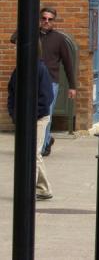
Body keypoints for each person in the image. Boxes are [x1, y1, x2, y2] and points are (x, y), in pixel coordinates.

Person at [10, 7, 77, 157]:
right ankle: (44, 140)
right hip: (30, 80)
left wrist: (72, 86)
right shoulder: (31, 33)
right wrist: (30, 25)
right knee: (30, 113)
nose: (46, 21)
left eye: (50, 19)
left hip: (50, 82)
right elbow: (14, 38)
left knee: (46, 114)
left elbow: (68, 64)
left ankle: (44, 145)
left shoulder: (59, 39)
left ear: (54, 21)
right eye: (44, 18)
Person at [7, 62, 56, 200]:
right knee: (32, 153)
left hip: (39, 118)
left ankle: (28, 192)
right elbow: (12, 92)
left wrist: (32, 115)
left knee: (33, 153)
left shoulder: (41, 69)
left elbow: (47, 97)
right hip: (24, 119)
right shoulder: (18, 69)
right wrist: (13, 113)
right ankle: (44, 189)